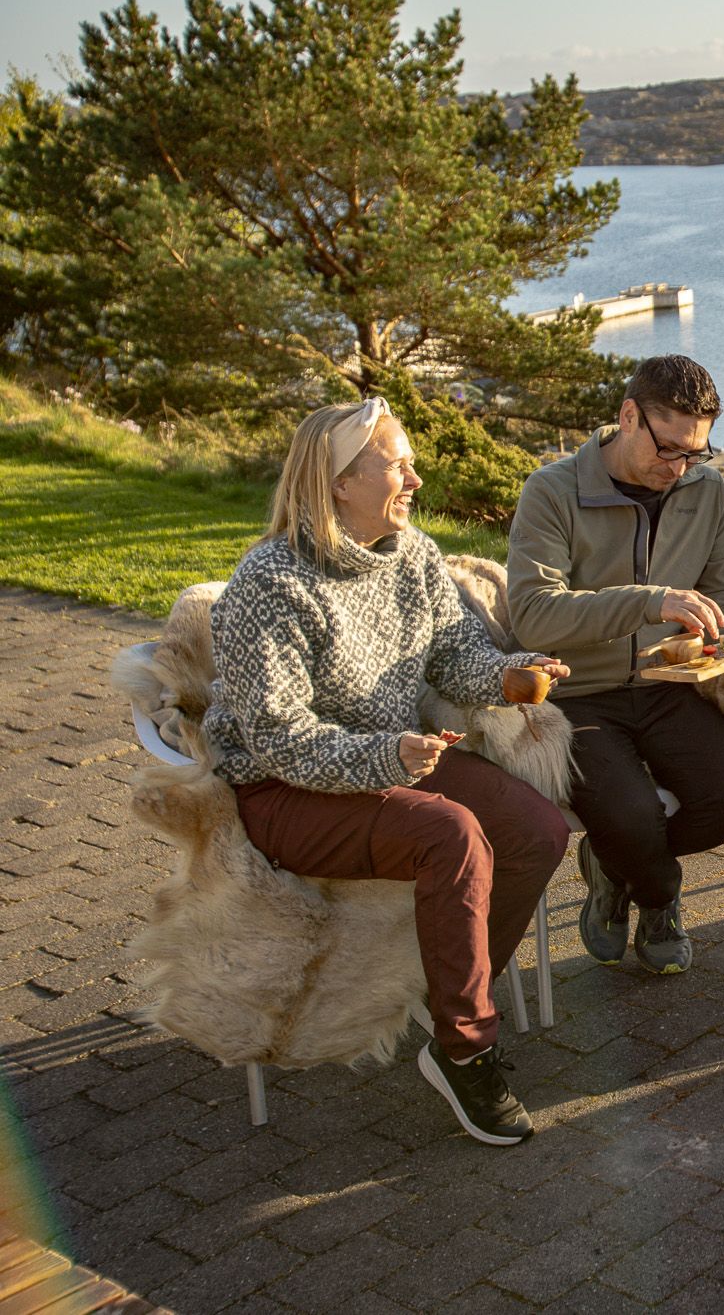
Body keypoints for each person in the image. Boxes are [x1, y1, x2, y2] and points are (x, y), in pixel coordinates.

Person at [205, 398, 572, 1147]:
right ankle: (469, 1047)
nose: (414, 475)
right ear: (338, 481)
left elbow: (453, 654)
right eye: (396, 462)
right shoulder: (269, 582)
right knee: (452, 834)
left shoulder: (412, 553)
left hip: (390, 760)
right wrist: (386, 755)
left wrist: (509, 675)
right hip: (286, 790)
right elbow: (278, 738)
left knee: (536, 829)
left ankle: (450, 1009)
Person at [507, 356, 724, 976]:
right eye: (668, 448)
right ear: (628, 416)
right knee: (628, 814)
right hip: (577, 696)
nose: (678, 469)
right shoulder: (552, 491)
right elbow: (534, 616)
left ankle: (612, 864)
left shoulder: (706, 493)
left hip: (667, 686)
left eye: (694, 453)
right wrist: (650, 601)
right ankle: (656, 897)